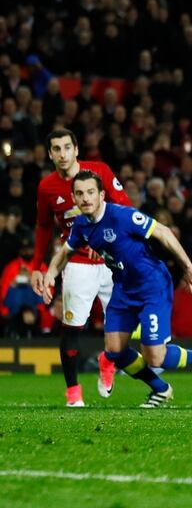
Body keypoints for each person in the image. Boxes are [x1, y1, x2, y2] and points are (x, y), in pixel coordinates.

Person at [36, 170, 192, 408]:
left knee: (155, 357)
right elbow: (64, 253)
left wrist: (187, 266)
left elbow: (163, 232)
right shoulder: (82, 225)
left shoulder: (122, 216)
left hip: (151, 286)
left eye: (91, 193)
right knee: (114, 350)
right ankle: (161, 389)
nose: (85, 198)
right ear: (74, 198)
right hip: (124, 289)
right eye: (80, 194)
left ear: (101, 195)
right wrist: (51, 275)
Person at [29, 129, 129, 407]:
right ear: (50, 154)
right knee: (72, 328)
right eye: (56, 149)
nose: (62, 154)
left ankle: (108, 360)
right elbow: (43, 227)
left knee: (124, 328)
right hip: (77, 264)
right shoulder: (47, 187)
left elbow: (125, 208)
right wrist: (38, 266)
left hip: (112, 262)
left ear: (76, 149)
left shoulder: (100, 171)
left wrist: (108, 240)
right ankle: (73, 392)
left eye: (66, 148)